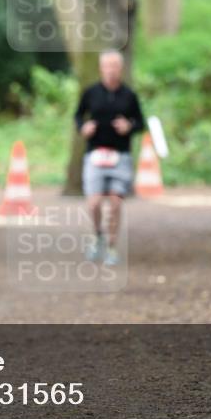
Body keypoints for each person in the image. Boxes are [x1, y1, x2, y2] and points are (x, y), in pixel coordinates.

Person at [73, 50, 144, 266]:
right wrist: (83, 127)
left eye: (115, 66)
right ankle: (98, 236)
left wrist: (129, 126)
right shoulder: (91, 93)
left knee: (115, 203)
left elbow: (140, 123)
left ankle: (112, 247)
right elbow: (78, 115)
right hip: (95, 154)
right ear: (101, 68)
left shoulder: (129, 96)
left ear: (121, 69)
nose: (111, 70)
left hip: (119, 155)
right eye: (107, 66)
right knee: (93, 203)